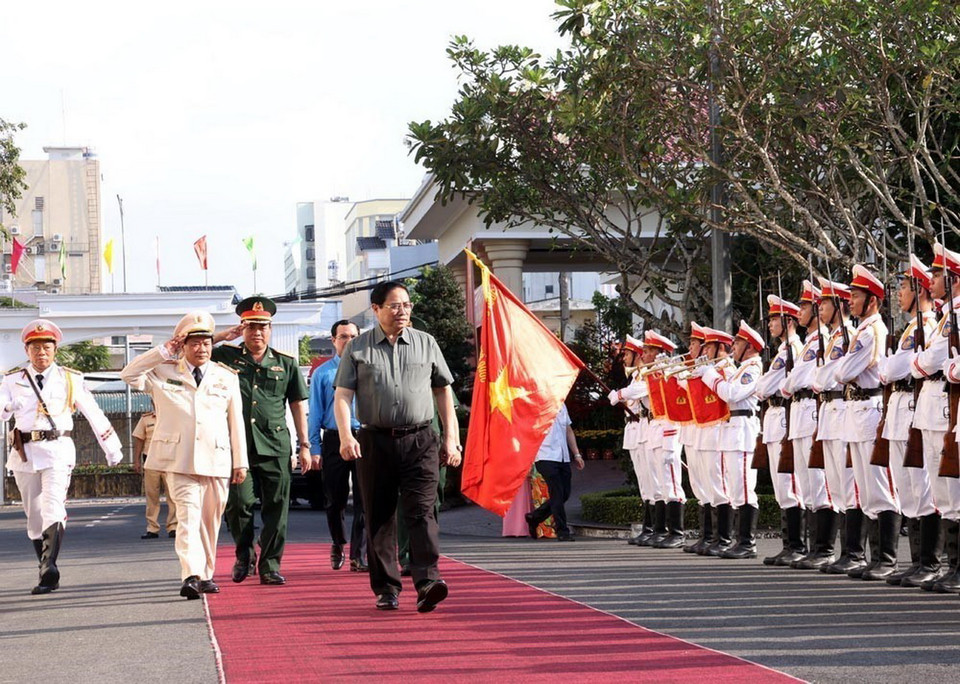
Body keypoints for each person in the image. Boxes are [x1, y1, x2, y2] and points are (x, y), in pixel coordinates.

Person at [333, 281, 462, 613]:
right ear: (376, 309)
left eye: (406, 304)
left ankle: (428, 581)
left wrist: (451, 438)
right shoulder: (357, 348)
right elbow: (343, 395)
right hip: (375, 441)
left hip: (421, 440)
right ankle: (387, 588)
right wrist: (346, 436)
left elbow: (443, 391)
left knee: (422, 511)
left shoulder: (426, 343)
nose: (402, 310)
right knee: (380, 516)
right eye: (394, 305)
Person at [121, 311, 248, 600]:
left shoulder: (226, 376)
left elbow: (236, 422)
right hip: (179, 459)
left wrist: (240, 462)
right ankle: (191, 574)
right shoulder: (163, 371)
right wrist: (164, 350)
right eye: (195, 343)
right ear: (183, 345)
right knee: (188, 517)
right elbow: (128, 374)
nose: (201, 348)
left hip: (216, 459)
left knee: (210, 521)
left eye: (206, 342)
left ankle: (206, 574)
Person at [2, 319, 123, 595]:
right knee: (34, 516)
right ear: (27, 350)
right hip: (24, 453)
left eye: (46, 347)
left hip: (57, 450)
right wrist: (9, 406)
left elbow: (93, 412)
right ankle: (45, 565)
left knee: (53, 506)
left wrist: (112, 447)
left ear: (55, 349)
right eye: (35, 348)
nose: (41, 353)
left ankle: (49, 568)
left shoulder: (70, 378)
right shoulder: (12, 380)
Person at [212, 296, 311, 587]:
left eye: (262, 327)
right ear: (241, 328)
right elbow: (188, 350)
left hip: (275, 445)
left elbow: (297, 405)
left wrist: (304, 445)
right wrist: (221, 336)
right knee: (238, 504)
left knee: (276, 508)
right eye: (250, 326)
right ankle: (244, 554)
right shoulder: (225, 357)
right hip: (237, 447)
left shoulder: (285, 363)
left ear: (270, 329)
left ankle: (270, 565)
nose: (257, 332)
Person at [835, 265, 898, 580]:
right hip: (857, 411)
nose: (850, 301)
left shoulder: (872, 331)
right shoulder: (863, 330)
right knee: (866, 488)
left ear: (872, 300)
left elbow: (842, 372)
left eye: (856, 295)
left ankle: (886, 558)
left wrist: (842, 368)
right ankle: (875, 557)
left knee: (879, 486)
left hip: (869, 410)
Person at [879, 256, 938, 586]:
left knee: (922, 487)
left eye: (903, 287)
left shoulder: (927, 325)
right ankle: (917, 562)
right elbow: (888, 370)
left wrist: (895, 365)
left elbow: (895, 368)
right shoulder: (910, 328)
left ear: (920, 290)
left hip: (914, 408)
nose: (899, 293)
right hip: (900, 408)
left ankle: (929, 562)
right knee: (908, 489)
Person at [700, 321, 764, 559]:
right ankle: (739, 540)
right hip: (733, 430)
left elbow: (732, 393)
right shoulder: (741, 369)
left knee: (744, 487)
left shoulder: (752, 368)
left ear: (750, 346)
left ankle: (747, 542)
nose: (733, 346)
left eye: (738, 342)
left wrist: (709, 375)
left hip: (743, 430)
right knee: (735, 487)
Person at [308, 319, 367, 572]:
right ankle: (338, 542)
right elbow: (314, 412)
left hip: (365, 437)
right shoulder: (323, 373)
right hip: (334, 439)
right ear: (333, 341)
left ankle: (358, 555)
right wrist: (314, 448)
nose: (349, 341)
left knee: (365, 500)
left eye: (353, 336)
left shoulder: (368, 369)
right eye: (343, 336)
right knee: (335, 499)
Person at [755, 296, 806, 566]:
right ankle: (789, 544)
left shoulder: (791, 350)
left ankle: (797, 545)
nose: (770, 324)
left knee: (791, 485)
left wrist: (765, 385)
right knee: (782, 487)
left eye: (775, 319)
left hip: (785, 417)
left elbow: (763, 388)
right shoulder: (782, 351)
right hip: (776, 418)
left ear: (788, 322)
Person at [524, 402, 585, 541]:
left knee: (565, 494)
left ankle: (535, 517)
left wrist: (576, 454)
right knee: (557, 493)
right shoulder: (537, 405)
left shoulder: (562, 405)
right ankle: (562, 531)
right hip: (545, 456)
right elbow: (529, 434)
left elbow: (568, 430)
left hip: (563, 457)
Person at [133, 410, 179, 539]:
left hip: (169, 460)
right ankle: (152, 528)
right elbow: (139, 439)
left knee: (173, 496)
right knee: (152, 496)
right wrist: (136, 461)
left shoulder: (173, 416)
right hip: (150, 460)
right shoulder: (145, 419)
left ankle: (173, 527)